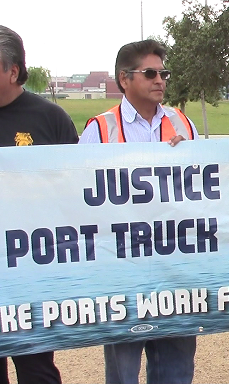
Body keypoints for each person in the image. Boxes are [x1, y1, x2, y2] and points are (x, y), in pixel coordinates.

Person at [80, 40, 198, 384]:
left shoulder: (182, 124)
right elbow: (78, 199)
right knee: (123, 371)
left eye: (164, 73)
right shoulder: (100, 130)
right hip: (122, 270)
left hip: (175, 267)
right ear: (124, 78)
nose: (160, 79)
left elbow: (206, 186)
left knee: (176, 368)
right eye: (150, 73)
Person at [0, 25, 79, 384]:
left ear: (12, 70)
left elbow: (78, 192)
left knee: (36, 371)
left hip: (30, 273)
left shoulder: (50, 119)